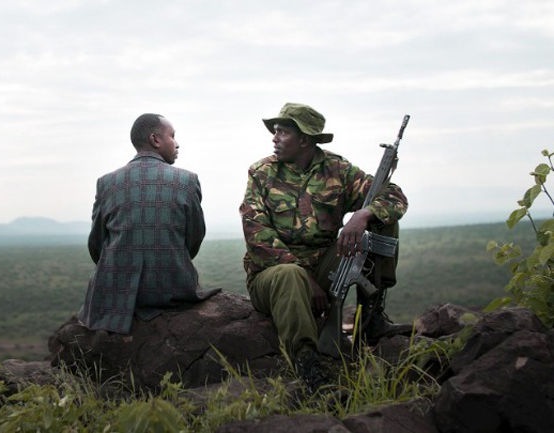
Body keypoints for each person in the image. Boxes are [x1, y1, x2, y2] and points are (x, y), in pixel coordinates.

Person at [240, 103, 409, 390]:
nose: (274, 137)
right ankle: (309, 365)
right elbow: (256, 233)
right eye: (275, 131)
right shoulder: (261, 173)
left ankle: (371, 318)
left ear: (304, 139)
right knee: (290, 275)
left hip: (324, 266)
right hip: (275, 275)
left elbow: (394, 197)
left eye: (282, 131)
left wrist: (362, 215)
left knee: (382, 220)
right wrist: (304, 277)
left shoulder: (338, 170)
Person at [79, 113, 220, 334]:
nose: (177, 143)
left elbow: (96, 244)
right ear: (156, 140)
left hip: (116, 293)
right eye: (172, 136)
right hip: (173, 289)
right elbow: (194, 238)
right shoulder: (187, 180)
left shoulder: (107, 182)